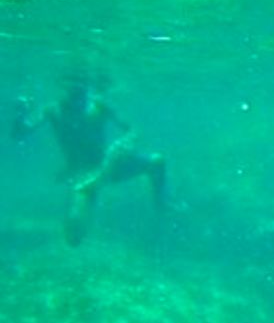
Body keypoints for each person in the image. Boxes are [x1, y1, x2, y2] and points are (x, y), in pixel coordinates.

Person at [11, 72, 167, 246]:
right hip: (82, 176)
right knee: (74, 236)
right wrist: (20, 114)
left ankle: (159, 207)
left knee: (157, 161)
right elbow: (20, 134)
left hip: (109, 165)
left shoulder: (99, 106)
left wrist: (124, 144)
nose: (77, 95)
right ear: (64, 89)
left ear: (86, 91)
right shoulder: (52, 110)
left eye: (81, 91)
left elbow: (133, 129)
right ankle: (75, 229)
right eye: (73, 90)